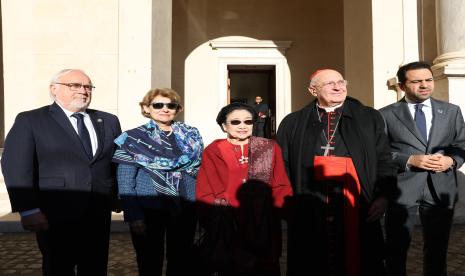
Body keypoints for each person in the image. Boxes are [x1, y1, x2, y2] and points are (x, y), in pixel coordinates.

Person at [1, 69, 122, 275]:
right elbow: (16, 165)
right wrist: (28, 209)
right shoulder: (31, 120)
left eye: (87, 86)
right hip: (54, 212)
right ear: (54, 89)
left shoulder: (108, 120)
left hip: (98, 211)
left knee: (95, 267)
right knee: (59, 267)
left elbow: (116, 162)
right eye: (74, 85)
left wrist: (119, 198)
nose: (83, 91)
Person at [276, 69, 397, 276]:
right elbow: (282, 165)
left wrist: (384, 195)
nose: (338, 87)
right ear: (313, 90)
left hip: (356, 201)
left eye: (341, 82)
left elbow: (384, 159)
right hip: (310, 202)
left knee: (359, 259)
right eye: (329, 83)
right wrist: (287, 202)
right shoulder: (293, 122)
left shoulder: (368, 117)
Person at [380, 61, 465, 276]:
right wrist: (408, 160)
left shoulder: (451, 111)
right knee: (395, 249)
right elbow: (377, 153)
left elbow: (461, 144)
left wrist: (452, 161)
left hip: (440, 188)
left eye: (428, 80)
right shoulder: (385, 114)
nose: (425, 85)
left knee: (437, 250)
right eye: (416, 81)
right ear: (402, 86)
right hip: (401, 189)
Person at [112, 88, 203, 276]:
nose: (165, 109)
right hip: (148, 208)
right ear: (147, 108)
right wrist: (133, 214)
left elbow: (200, 171)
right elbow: (125, 180)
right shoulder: (133, 138)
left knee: (181, 258)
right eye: (158, 105)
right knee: (149, 260)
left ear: (178, 109)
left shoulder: (191, 135)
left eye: (171, 105)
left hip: (185, 206)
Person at [196, 102, 293, 276]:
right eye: (235, 122)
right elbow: (205, 189)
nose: (242, 126)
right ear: (224, 126)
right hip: (228, 223)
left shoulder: (268, 147)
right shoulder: (213, 150)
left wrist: (277, 213)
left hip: (263, 222)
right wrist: (212, 218)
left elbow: (280, 184)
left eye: (248, 122)